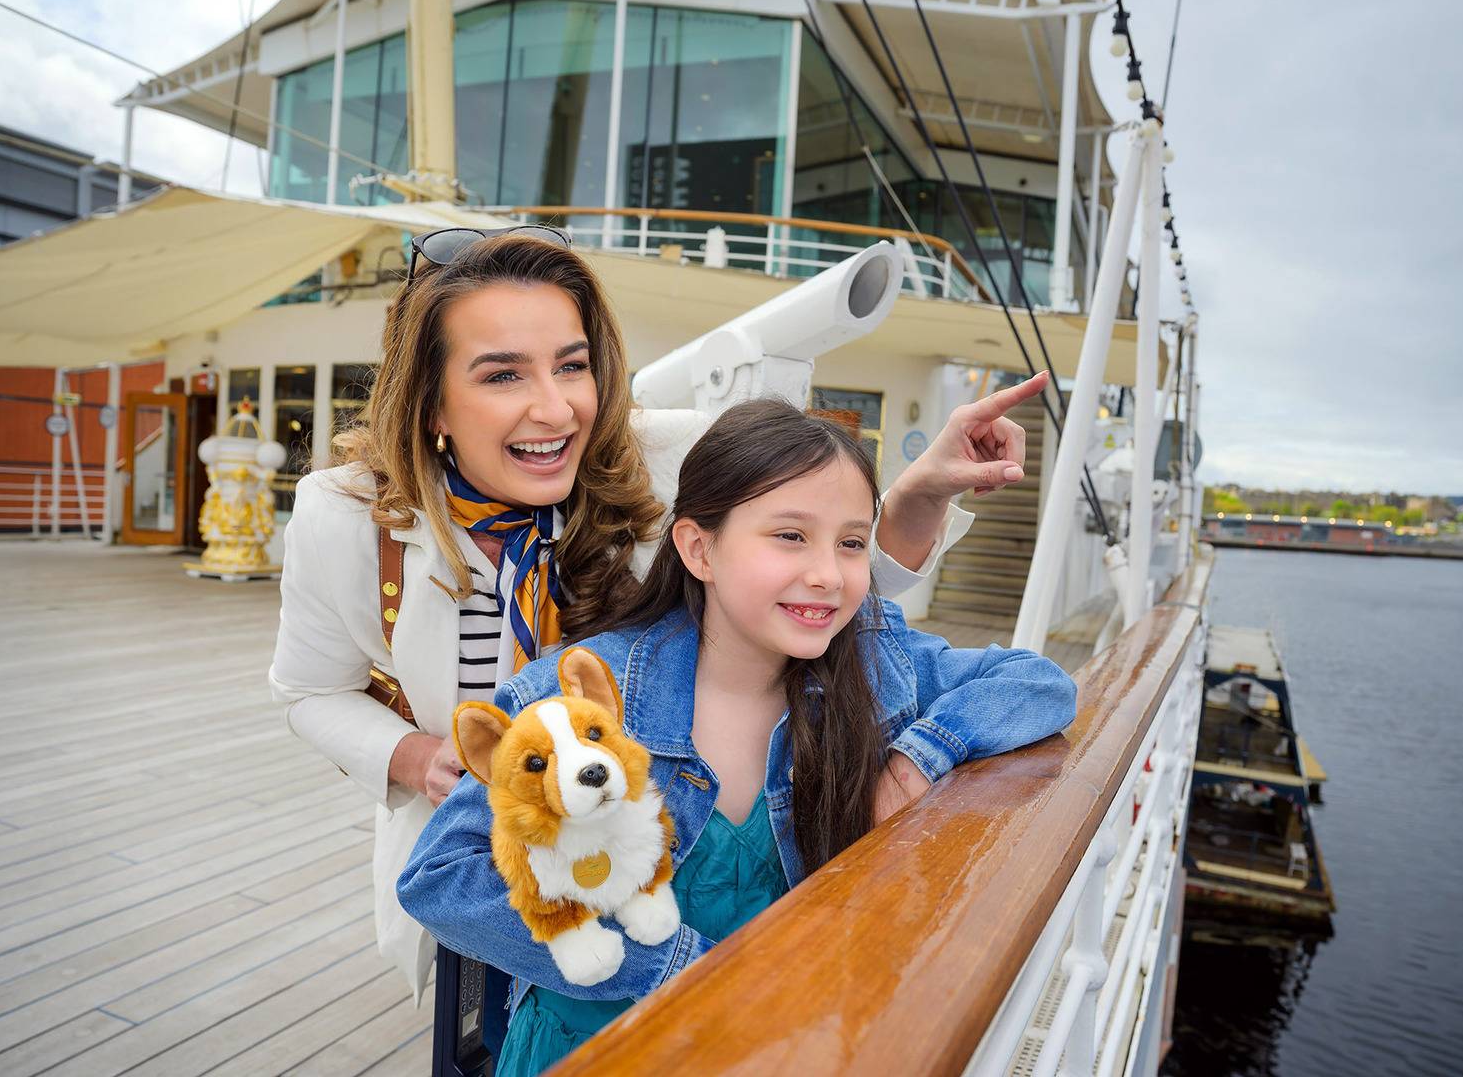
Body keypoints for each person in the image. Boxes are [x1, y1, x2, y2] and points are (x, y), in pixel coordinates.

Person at [267, 225, 1055, 999]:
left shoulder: (665, 457)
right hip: (491, 836)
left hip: (652, 832)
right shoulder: (345, 517)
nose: (554, 410)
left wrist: (919, 493)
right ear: (432, 403)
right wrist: (416, 756)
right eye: (502, 376)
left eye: (571, 367)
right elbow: (310, 690)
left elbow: (806, 578)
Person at [397, 399, 1077, 1076]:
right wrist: (678, 967)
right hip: (598, 1052)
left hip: (784, 1048)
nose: (827, 574)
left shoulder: (873, 666)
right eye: (789, 536)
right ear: (699, 548)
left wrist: (914, 758)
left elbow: (1037, 684)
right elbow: (440, 877)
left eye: (849, 543)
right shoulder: (588, 696)